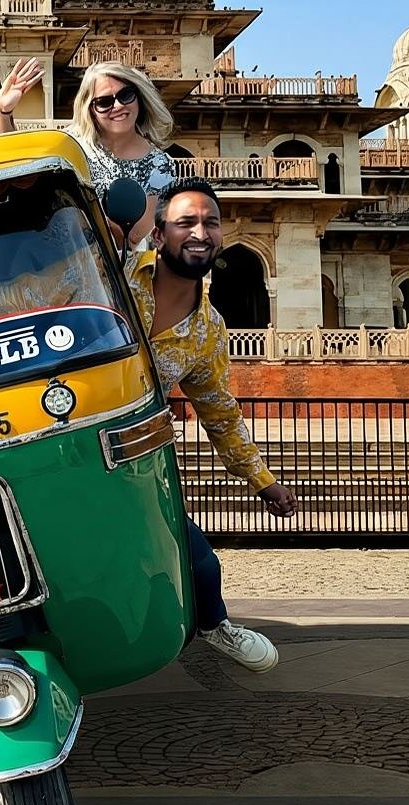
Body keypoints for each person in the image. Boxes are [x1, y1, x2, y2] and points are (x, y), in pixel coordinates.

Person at [131, 177, 298, 672]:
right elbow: (40, 291)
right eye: (185, 222)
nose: (199, 231)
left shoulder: (207, 330)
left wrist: (263, 481)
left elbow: (220, 412)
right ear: (159, 235)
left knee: (200, 561)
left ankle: (213, 625)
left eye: (210, 222)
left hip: (132, 456)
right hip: (56, 433)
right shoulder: (113, 276)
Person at [0, 58, 177, 251]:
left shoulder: (160, 164)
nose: (117, 106)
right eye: (104, 102)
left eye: (125, 95)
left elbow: (131, 237)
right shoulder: (70, 144)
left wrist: (77, 212)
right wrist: (3, 112)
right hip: (54, 260)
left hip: (113, 272)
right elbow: (16, 165)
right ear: (90, 109)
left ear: (138, 98)